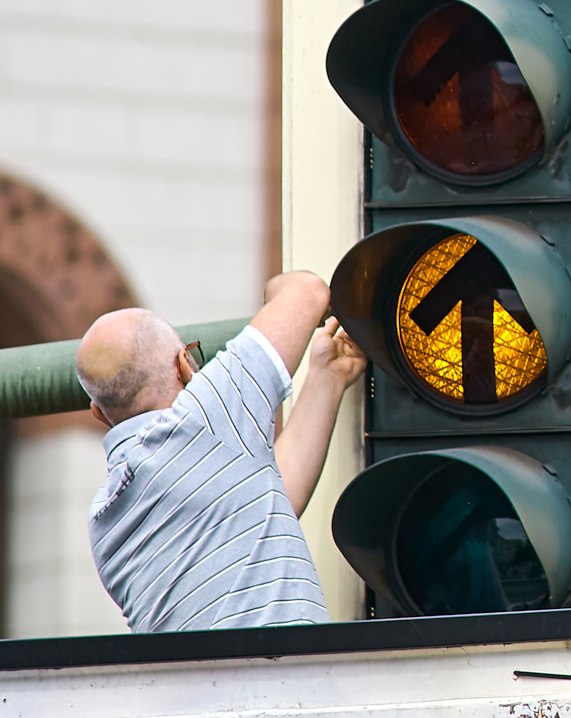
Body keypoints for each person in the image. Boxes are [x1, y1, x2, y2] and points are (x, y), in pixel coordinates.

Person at [75, 270, 366, 633]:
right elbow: (305, 290)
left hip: (195, 687)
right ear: (184, 365)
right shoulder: (206, 413)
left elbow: (265, 502)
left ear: (100, 414)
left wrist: (328, 377)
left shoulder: (103, 522)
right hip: (288, 680)